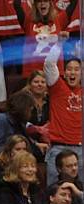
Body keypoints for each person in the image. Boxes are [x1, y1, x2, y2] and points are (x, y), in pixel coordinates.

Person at [44, 38, 82, 184]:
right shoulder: (57, 86)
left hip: (81, 148)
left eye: (76, 69)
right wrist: (59, 43)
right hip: (58, 147)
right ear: (64, 73)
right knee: (54, 190)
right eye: (69, 69)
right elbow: (49, 64)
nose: (72, 72)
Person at [13, 0, 77, 78]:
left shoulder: (59, 19)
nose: (42, 3)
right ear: (35, 5)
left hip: (54, 73)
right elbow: (16, 4)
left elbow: (74, 2)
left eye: (45, 1)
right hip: (34, 75)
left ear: (50, 4)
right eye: (39, 1)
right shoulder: (28, 21)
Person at [0, 90, 47, 159]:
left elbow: (28, 145)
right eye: (30, 109)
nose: (30, 113)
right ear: (23, 108)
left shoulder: (19, 122)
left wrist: (37, 146)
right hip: (1, 161)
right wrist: (16, 151)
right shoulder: (0, 120)